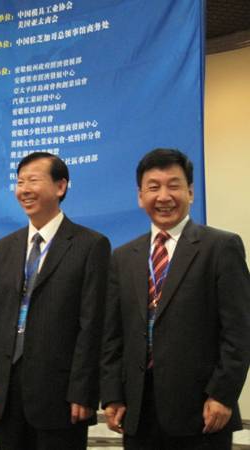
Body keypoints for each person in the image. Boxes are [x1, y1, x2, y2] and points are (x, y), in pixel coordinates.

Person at [101, 148, 250, 449]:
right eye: (153, 187)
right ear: (140, 196)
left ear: (190, 192)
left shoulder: (220, 247)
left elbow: (239, 331)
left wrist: (222, 395)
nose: (163, 196)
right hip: (139, 411)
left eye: (174, 185)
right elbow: (112, 335)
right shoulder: (123, 257)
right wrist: (113, 395)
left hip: (202, 411)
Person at [0, 152, 111, 449]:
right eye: (20, 182)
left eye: (33, 180)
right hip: (7, 391)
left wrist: (84, 390)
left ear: (60, 186)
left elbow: (93, 325)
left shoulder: (91, 245)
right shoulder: (5, 247)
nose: (24, 189)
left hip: (61, 395)